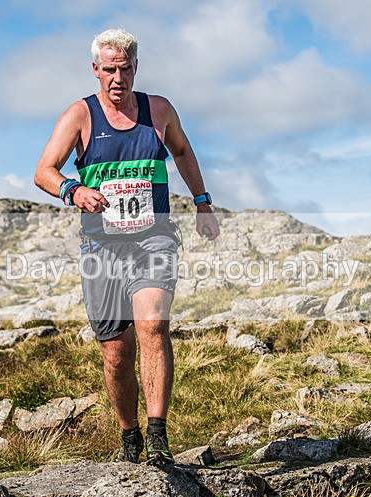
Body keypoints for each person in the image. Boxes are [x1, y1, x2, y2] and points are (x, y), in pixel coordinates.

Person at [34, 28, 219, 466]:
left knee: (153, 324)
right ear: (96, 69)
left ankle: (158, 436)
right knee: (116, 351)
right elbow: (43, 170)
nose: (118, 78)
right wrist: (73, 191)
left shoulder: (159, 110)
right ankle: (129, 434)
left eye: (126, 69)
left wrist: (202, 201)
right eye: (110, 70)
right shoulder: (80, 115)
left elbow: (183, 151)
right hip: (102, 246)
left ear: (137, 67)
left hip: (153, 237)